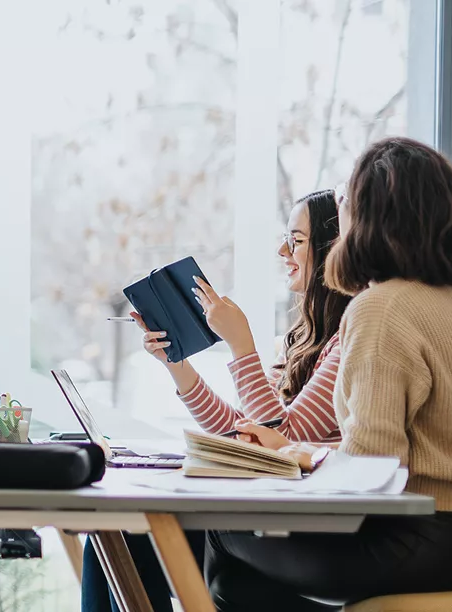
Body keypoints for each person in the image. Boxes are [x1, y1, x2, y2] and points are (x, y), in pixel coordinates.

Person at [209, 136, 452, 610]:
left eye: (346, 206)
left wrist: (297, 456)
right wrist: (297, 450)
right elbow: (401, 451)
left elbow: (371, 472)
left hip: (415, 544)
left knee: (219, 531)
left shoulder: (382, 308)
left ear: (369, 221)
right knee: (236, 577)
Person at [79, 189, 352, 612]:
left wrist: (241, 345)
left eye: (296, 241)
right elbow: (239, 430)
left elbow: (283, 438)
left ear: (331, 250)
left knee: (122, 538)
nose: (283, 250)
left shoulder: (346, 343)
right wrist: (176, 363)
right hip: (267, 517)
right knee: (110, 539)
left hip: (296, 530)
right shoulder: (300, 342)